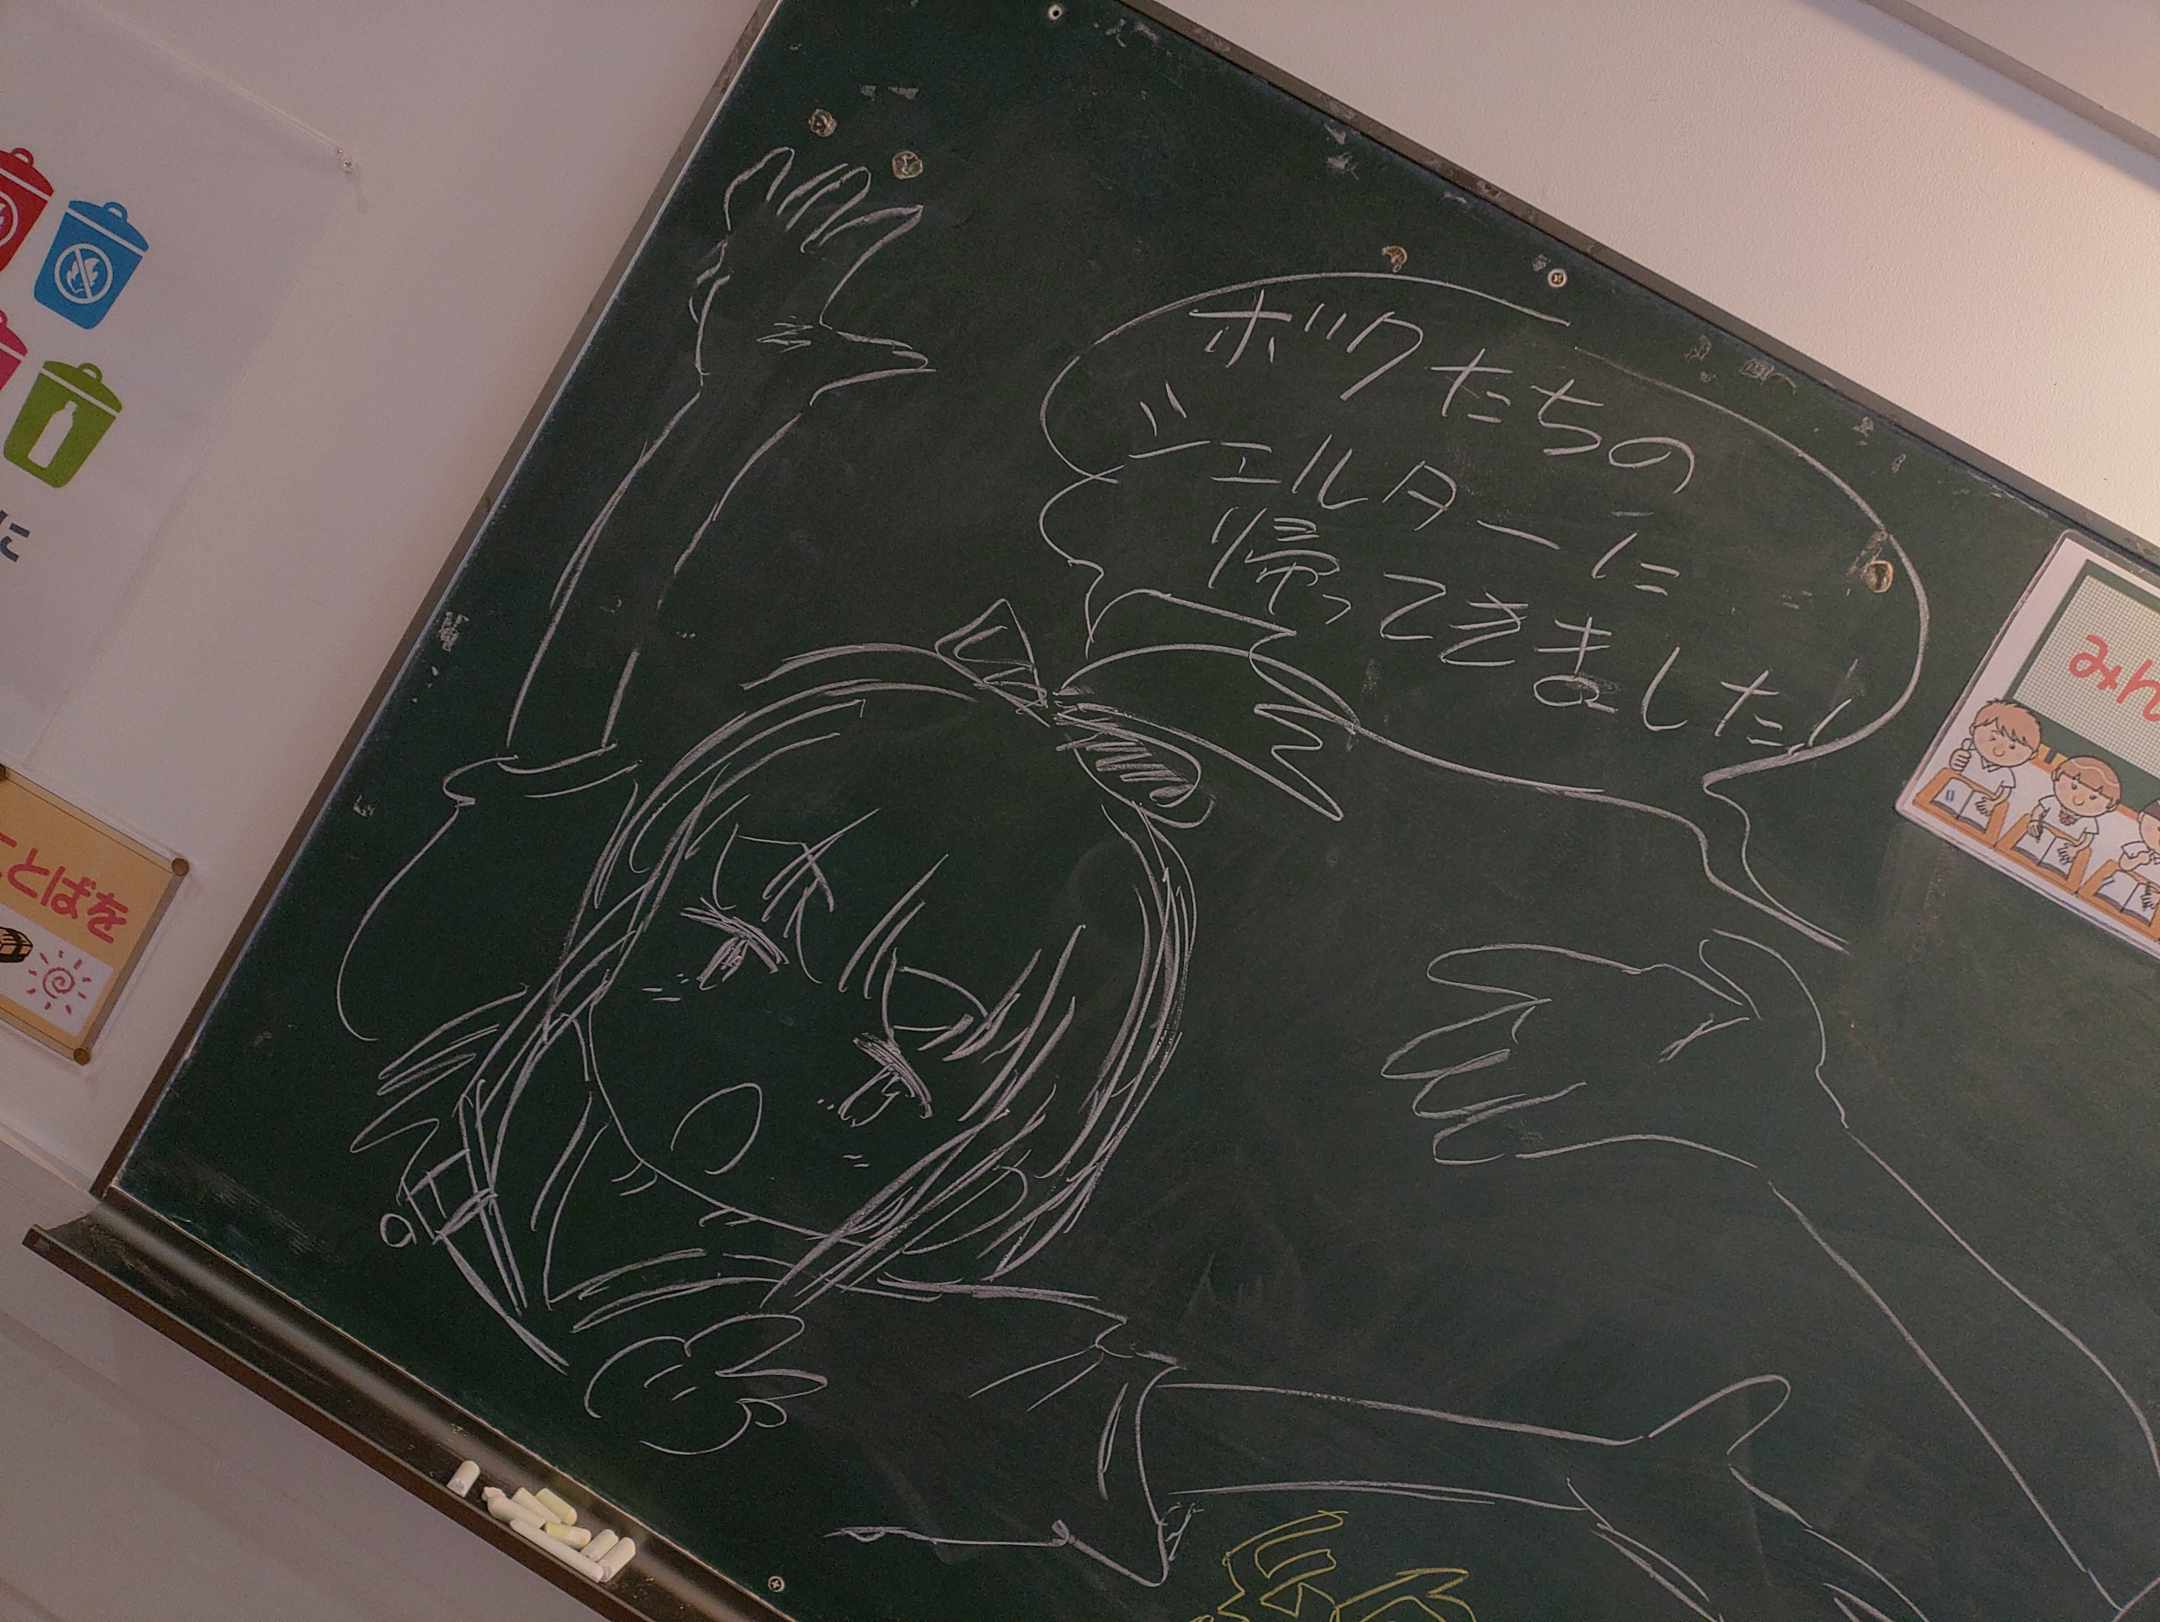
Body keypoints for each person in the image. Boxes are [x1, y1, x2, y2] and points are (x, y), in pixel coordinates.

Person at [1932, 698, 2040, 829]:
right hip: (1949, 798)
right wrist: (1955, 760)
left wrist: (1993, 803)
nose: (1999, 751)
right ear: (1973, 730)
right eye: (1992, 738)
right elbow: (1952, 769)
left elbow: (2005, 793)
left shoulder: (2006, 774)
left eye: (2012, 747)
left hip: (1977, 810)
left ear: (2031, 755)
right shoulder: (1968, 752)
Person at [2009, 753, 2120, 875]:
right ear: (2056, 775)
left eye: (2093, 797)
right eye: (2073, 787)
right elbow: (2039, 810)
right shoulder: (2052, 801)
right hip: (2033, 842)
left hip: (2060, 855)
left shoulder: (2089, 822)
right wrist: (2034, 820)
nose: (2078, 800)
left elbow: (2087, 839)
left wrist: (2076, 849)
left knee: (2053, 871)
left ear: (2111, 806)